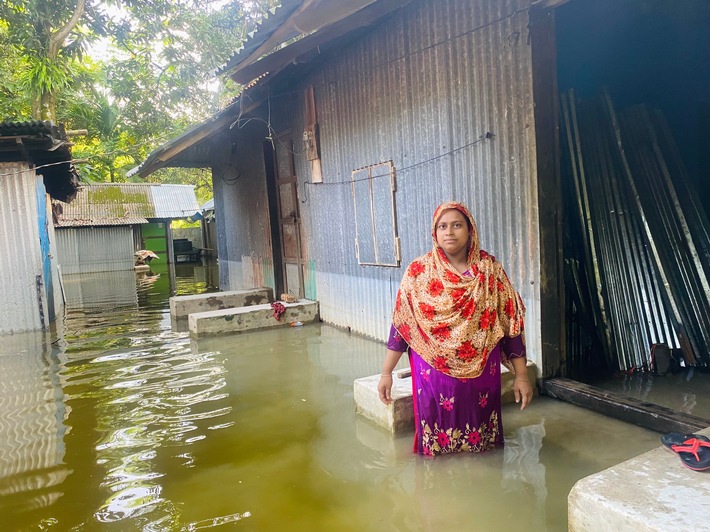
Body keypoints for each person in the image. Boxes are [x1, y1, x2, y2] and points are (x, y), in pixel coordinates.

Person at [377, 201, 532, 456]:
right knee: (436, 447)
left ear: (470, 230)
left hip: (482, 373)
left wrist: (522, 376)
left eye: (457, 225)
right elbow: (402, 326)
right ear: (434, 233)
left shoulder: (490, 270)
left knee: (482, 447)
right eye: (442, 226)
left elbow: (510, 322)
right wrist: (386, 373)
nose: (449, 232)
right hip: (433, 374)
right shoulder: (418, 272)